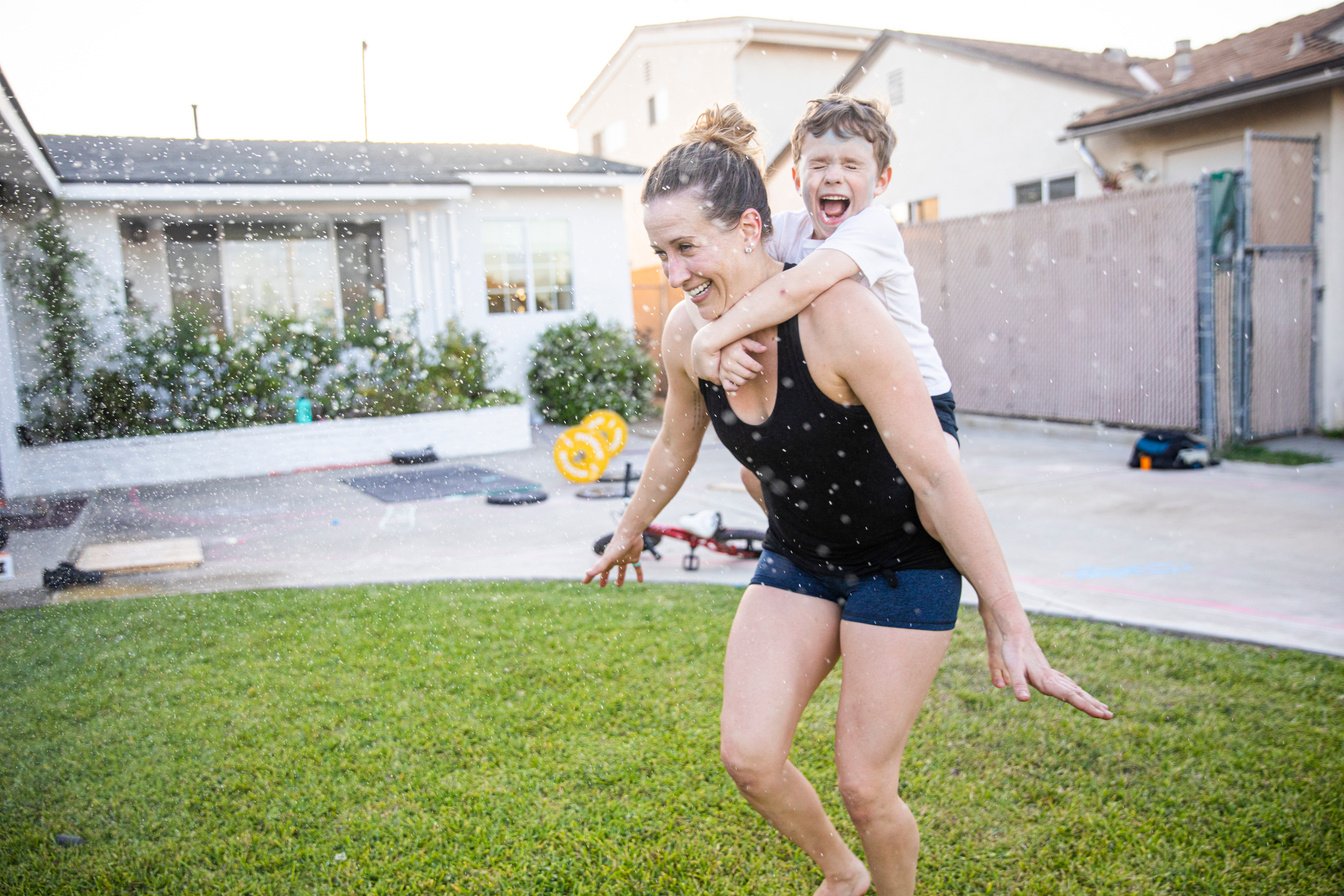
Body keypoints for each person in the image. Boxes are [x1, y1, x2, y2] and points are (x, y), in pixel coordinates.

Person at [583, 105, 1111, 896]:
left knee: (867, 787)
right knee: (749, 756)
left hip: (904, 562)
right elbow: (672, 444)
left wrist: (1007, 615)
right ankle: (844, 876)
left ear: (753, 227)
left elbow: (937, 477)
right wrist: (628, 530)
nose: (676, 273)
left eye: (688, 247)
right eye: (662, 252)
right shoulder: (689, 331)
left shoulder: (841, 310)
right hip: (800, 557)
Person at [689, 94, 957, 516]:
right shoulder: (787, 230)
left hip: (918, 397)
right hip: (842, 402)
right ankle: (807, 550)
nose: (833, 177)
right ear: (797, 177)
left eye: (851, 166)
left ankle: (943, 572)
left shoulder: (875, 228)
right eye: (819, 164)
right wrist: (716, 334)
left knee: (935, 494)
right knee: (758, 477)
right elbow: (720, 272)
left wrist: (712, 338)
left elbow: (793, 288)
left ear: (881, 180)